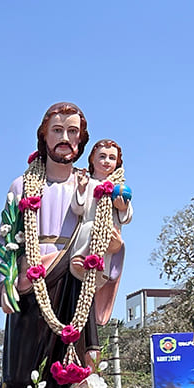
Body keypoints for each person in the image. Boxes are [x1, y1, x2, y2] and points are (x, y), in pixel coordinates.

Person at [0, 102, 108, 388]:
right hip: (32, 284)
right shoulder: (22, 185)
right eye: (58, 130)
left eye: (72, 132)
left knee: (71, 373)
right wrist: (8, 282)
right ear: (44, 135)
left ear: (81, 140)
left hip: (75, 284)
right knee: (21, 372)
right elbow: (4, 239)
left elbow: (107, 237)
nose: (65, 138)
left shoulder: (89, 188)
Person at [65, 137, 133, 325]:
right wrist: (81, 188)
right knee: (91, 228)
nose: (106, 161)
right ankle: (80, 259)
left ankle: (101, 272)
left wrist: (122, 207)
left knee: (107, 238)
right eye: (102, 156)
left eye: (112, 158)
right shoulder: (88, 183)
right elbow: (78, 209)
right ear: (92, 159)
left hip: (109, 235)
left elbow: (127, 218)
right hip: (89, 228)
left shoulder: (118, 188)